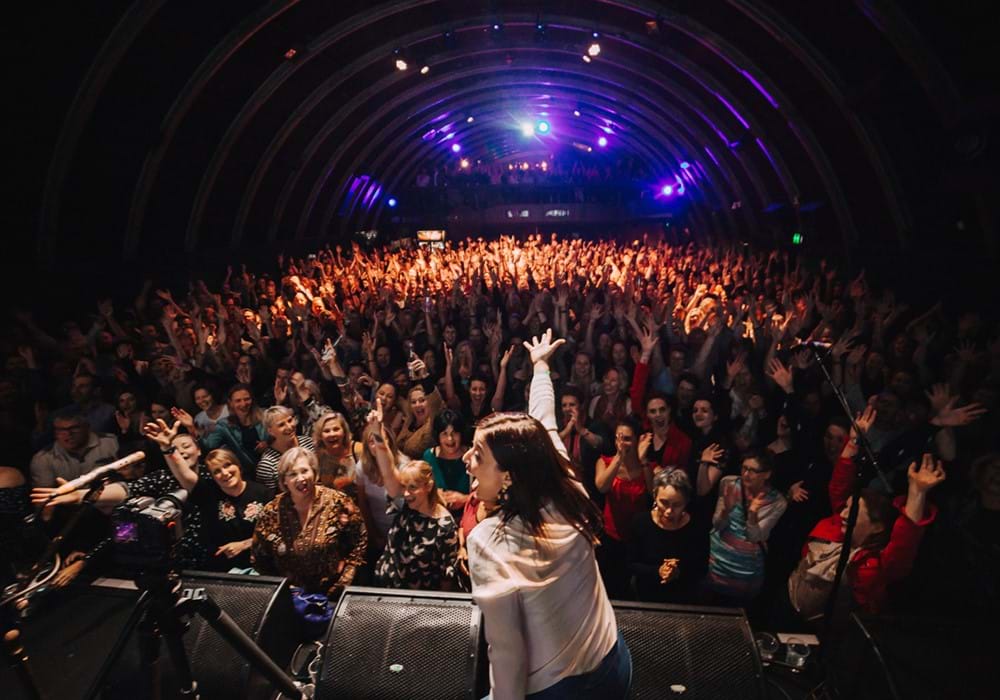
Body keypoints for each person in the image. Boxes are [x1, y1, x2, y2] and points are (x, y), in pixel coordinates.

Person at [464, 329, 631, 699]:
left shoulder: (488, 543)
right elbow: (545, 421)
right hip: (611, 663)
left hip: (556, 689)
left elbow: (507, 655)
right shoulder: (567, 487)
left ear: (509, 475)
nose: (466, 459)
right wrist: (540, 367)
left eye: (477, 455)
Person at [788, 406, 943, 621]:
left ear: (877, 526)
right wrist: (853, 442)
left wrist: (917, 492)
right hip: (794, 601)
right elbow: (839, 485)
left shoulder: (877, 564)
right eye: (845, 508)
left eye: (853, 511)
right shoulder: (836, 527)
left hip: (833, 630)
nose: (843, 513)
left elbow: (905, 540)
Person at [143, 418, 270, 571]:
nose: (225, 473)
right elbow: (184, 474)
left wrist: (244, 544)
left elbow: (276, 531)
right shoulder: (209, 493)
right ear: (212, 476)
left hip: (260, 568)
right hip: (221, 571)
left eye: (228, 465)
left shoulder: (262, 493)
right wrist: (167, 447)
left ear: (238, 466)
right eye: (217, 471)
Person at [251, 447, 367, 597]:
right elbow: (259, 557)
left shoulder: (338, 502)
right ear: (284, 480)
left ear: (314, 472)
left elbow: (359, 542)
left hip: (335, 594)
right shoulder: (271, 511)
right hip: (291, 598)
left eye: (304, 471)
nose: (301, 478)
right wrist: (282, 589)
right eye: (293, 474)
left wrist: (343, 584)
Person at [369, 402, 460, 590]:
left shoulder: (444, 526)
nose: (405, 493)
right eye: (404, 486)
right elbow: (388, 472)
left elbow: (446, 579)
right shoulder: (405, 504)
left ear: (428, 486)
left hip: (417, 600)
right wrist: (377, 433)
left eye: (412, 487)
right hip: (385, 589)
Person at [706, 450, 787, 603]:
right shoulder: (729, 483)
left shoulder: (777, 502)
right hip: (719, 561)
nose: (746, 474)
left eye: (753, 470)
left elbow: (755, 537)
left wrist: (752, 514)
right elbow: (717, 524)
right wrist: (726, 510)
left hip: (746, 568)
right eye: (744, 468)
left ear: (767, 474)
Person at [627, 469, 704, 603]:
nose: (669, 511)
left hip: (684, 597)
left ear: (686, 502)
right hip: (647, 595)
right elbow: (630, 564)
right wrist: (658, 571)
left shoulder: (696, 527)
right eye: (664, 503)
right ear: (655, 496)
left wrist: (678, 572)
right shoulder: (641, 522)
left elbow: (701, 569)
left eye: (677, 505)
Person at [594, 419, 651, 599]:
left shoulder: (648, 466)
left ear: (636, 440)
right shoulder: (604, 461)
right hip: (611, 537)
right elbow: (602, 486)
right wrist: (618, 458)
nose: (621, 443)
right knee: (611, 586)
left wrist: (643, 461)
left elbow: (654, 492)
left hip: (638, 538)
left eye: (626, 439)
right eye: (618, 438)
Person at [29, 409, 119, 488]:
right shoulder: (43, 459)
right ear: (55, 433)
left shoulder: (112, 443)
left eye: (74, 428)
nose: (68, 434)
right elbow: (44, 497)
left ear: (87, 427)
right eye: (61, 430)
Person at [202, 384, 267, 477]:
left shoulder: (264, 415)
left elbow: (277, 435)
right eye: (238, 401)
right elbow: (209, 446)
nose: (243, 404)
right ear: (231, 403)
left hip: (270, 465)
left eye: (247, 399)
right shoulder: (224, 425)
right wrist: (192, 429)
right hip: (248, 473)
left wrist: (268, 444)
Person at [422, 409, 471, 515]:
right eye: (444, 433)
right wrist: (435, 495)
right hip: (437, 516)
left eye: (454, 433)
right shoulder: (429, 456)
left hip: (467, 516)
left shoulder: (472, 456)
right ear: (437, 436)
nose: (450, 439)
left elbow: (487, 496)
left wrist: (465, 499)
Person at [255, 405, 315, 491]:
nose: (289, 426)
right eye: (281, 425)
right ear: (270, 431)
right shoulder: (267, 465)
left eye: (290, 420)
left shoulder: (310, 443)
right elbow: (270, 496)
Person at [311, 411, 361, 497]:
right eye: (326, 431)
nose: (332, 434)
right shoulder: (318, 457)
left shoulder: (359, 450)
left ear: (344, 431)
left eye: (336, 429)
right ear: (320, 436)